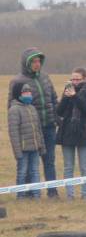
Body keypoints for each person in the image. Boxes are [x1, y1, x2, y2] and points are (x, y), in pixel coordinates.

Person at [8, 48, 58, 198]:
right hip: (30, 128)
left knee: (49, 161)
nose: (37, 64)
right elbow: (12, 106)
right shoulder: (18, 81)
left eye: (39, 61)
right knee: (30, 163)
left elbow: (54, 99)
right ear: (27, 63)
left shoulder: (45, 77)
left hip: (49, 125)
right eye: (34, 61)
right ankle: (29, 193)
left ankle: (52, 191)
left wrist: (57, 117)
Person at [55, 68, 86, 199]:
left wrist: (75, 96)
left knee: (84, 166)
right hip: (67, 131)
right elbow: (60, 111)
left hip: (83, 131)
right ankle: (70, 195)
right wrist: (66, 97)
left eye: (77, 79)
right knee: (68, 166)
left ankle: (85, 195)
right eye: (72, 79)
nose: (74, 81)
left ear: (85, 79)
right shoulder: (68, 89)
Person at [9, 83, 45, 199]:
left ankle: (36, 195)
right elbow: (13, 133)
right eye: (25, 92)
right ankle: (20, 195)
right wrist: (17, 152)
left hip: (35, 148)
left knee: (35, 171)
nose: (28, 94)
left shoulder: (32, 108)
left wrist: (41, 146)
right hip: (23, 150)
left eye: (29, 92)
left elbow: (38, 129)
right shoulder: (14, 110)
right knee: (22, 172)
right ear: (18, 94)